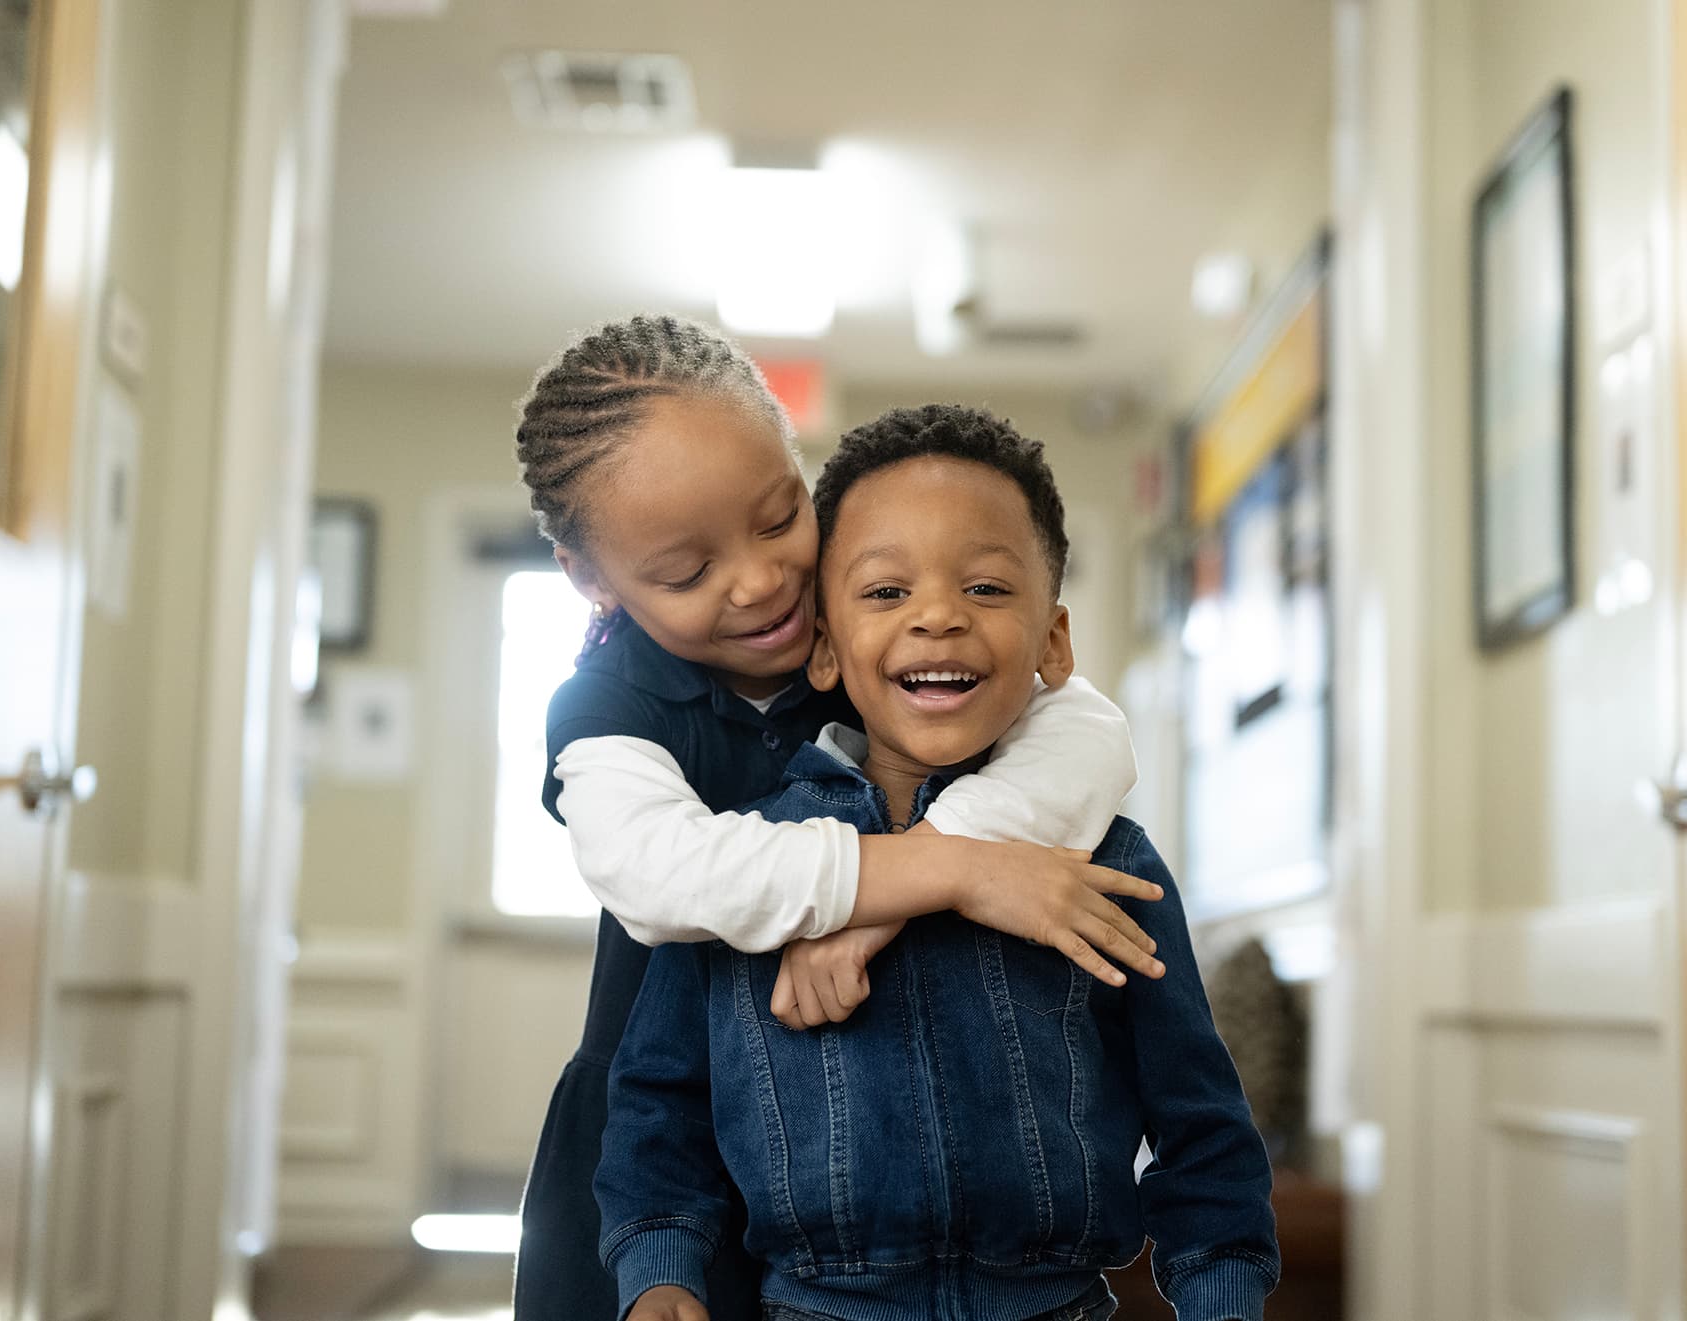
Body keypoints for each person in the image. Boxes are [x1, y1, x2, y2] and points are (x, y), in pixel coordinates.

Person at [512, 318, 1169, 1320]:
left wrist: (898, 884)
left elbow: (1086, 731)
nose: (759, 580)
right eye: (686, 572)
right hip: (657, 1149)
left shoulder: (867, 625)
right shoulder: (601, 705)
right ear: (589, 576)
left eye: (779, 517)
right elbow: (659, 873)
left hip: (849, 1136)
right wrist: (947, 872)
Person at [601, 404, 1280, 1321]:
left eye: (987, 588)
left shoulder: (1109, 863)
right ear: (825, 648)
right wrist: (659, 1267)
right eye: (885, 591)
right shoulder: (750, 863)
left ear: (1052, 641)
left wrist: (1223, 1295)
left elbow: (1202, 1126)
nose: (937, 617)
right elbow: (660, 1103)